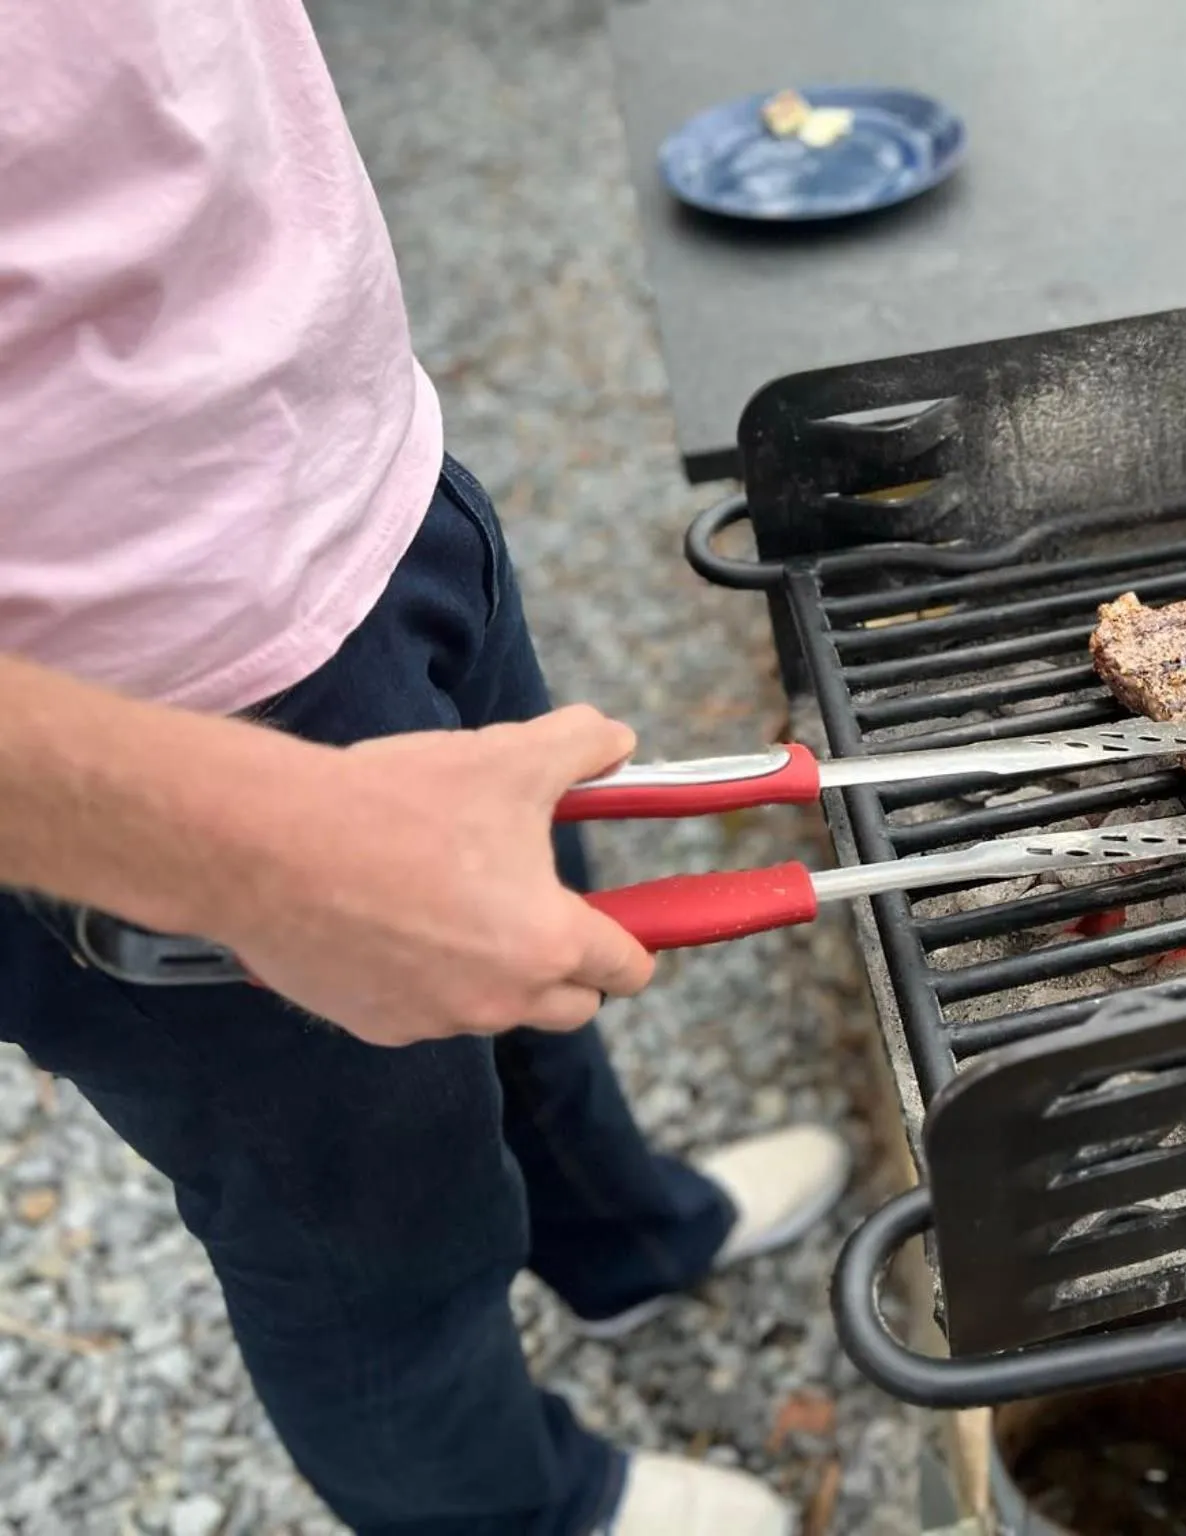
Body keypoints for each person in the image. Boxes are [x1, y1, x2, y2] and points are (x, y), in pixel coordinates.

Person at [0, 4, 846, 1533]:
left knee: (545, 967)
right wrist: (250, 848)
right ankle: (518, 1515)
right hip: (133, 724)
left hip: (375, 496)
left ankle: (620, 1243)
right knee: (369, 1241)